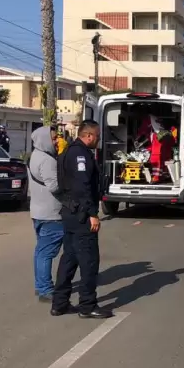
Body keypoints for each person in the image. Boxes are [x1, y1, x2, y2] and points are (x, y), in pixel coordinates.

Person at [52, 120, 114, 319]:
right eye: (97, 136)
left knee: (69, 259)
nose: (98, 140)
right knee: (89, 262)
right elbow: (82, 187)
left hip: (70, 213)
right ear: (89, 136)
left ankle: (59, 303)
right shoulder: (80, 155)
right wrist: (93, 214)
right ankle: (87, 305)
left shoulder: (69, 151)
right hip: (81, 216)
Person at [28, 127, 64, 302]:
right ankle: (45, 289)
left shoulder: (35, 155)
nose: (57, 141)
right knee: (47, 252)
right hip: (51, 213)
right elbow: (53, 186)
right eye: (54, 138)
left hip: (38, 211)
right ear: (44, 139)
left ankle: (40, 285)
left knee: (40, 251)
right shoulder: (47, 160)